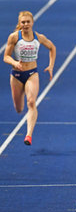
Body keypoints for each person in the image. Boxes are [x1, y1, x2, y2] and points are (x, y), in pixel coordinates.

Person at [3, 11, 56, 145]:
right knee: (19, 108)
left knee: (31, 102)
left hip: (32, 74)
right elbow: (5, 57)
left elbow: (52, 48)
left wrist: (51, 65)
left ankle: (28, 135)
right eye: (23, 22)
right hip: (16, 75)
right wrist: (15, 63)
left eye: (28, 22)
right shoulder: (14, 37)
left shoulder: (39, 37)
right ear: (20, 24)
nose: (26, 24)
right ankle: (21, 112)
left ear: (32, 22)